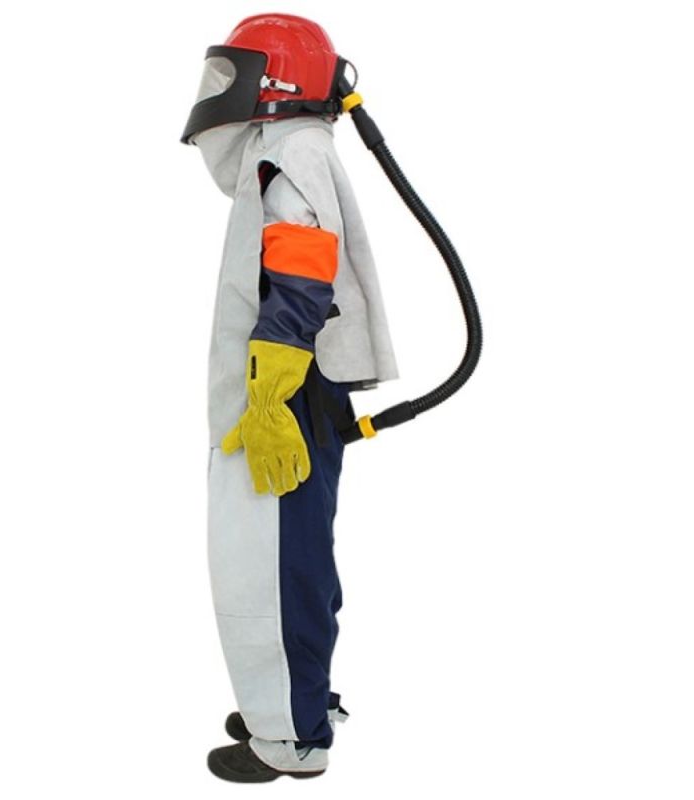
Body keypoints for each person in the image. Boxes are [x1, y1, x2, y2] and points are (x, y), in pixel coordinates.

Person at [181, 13, 399, 782]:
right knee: (294, 560)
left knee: (266, 566)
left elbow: (302, 273)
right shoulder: (296, 146)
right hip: (297, 386)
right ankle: (293, 701)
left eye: (230, 72)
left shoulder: (287, 150)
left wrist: (270, 394)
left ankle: (291, 739)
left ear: (271, 80)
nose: (217, 90)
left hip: (285, 392)